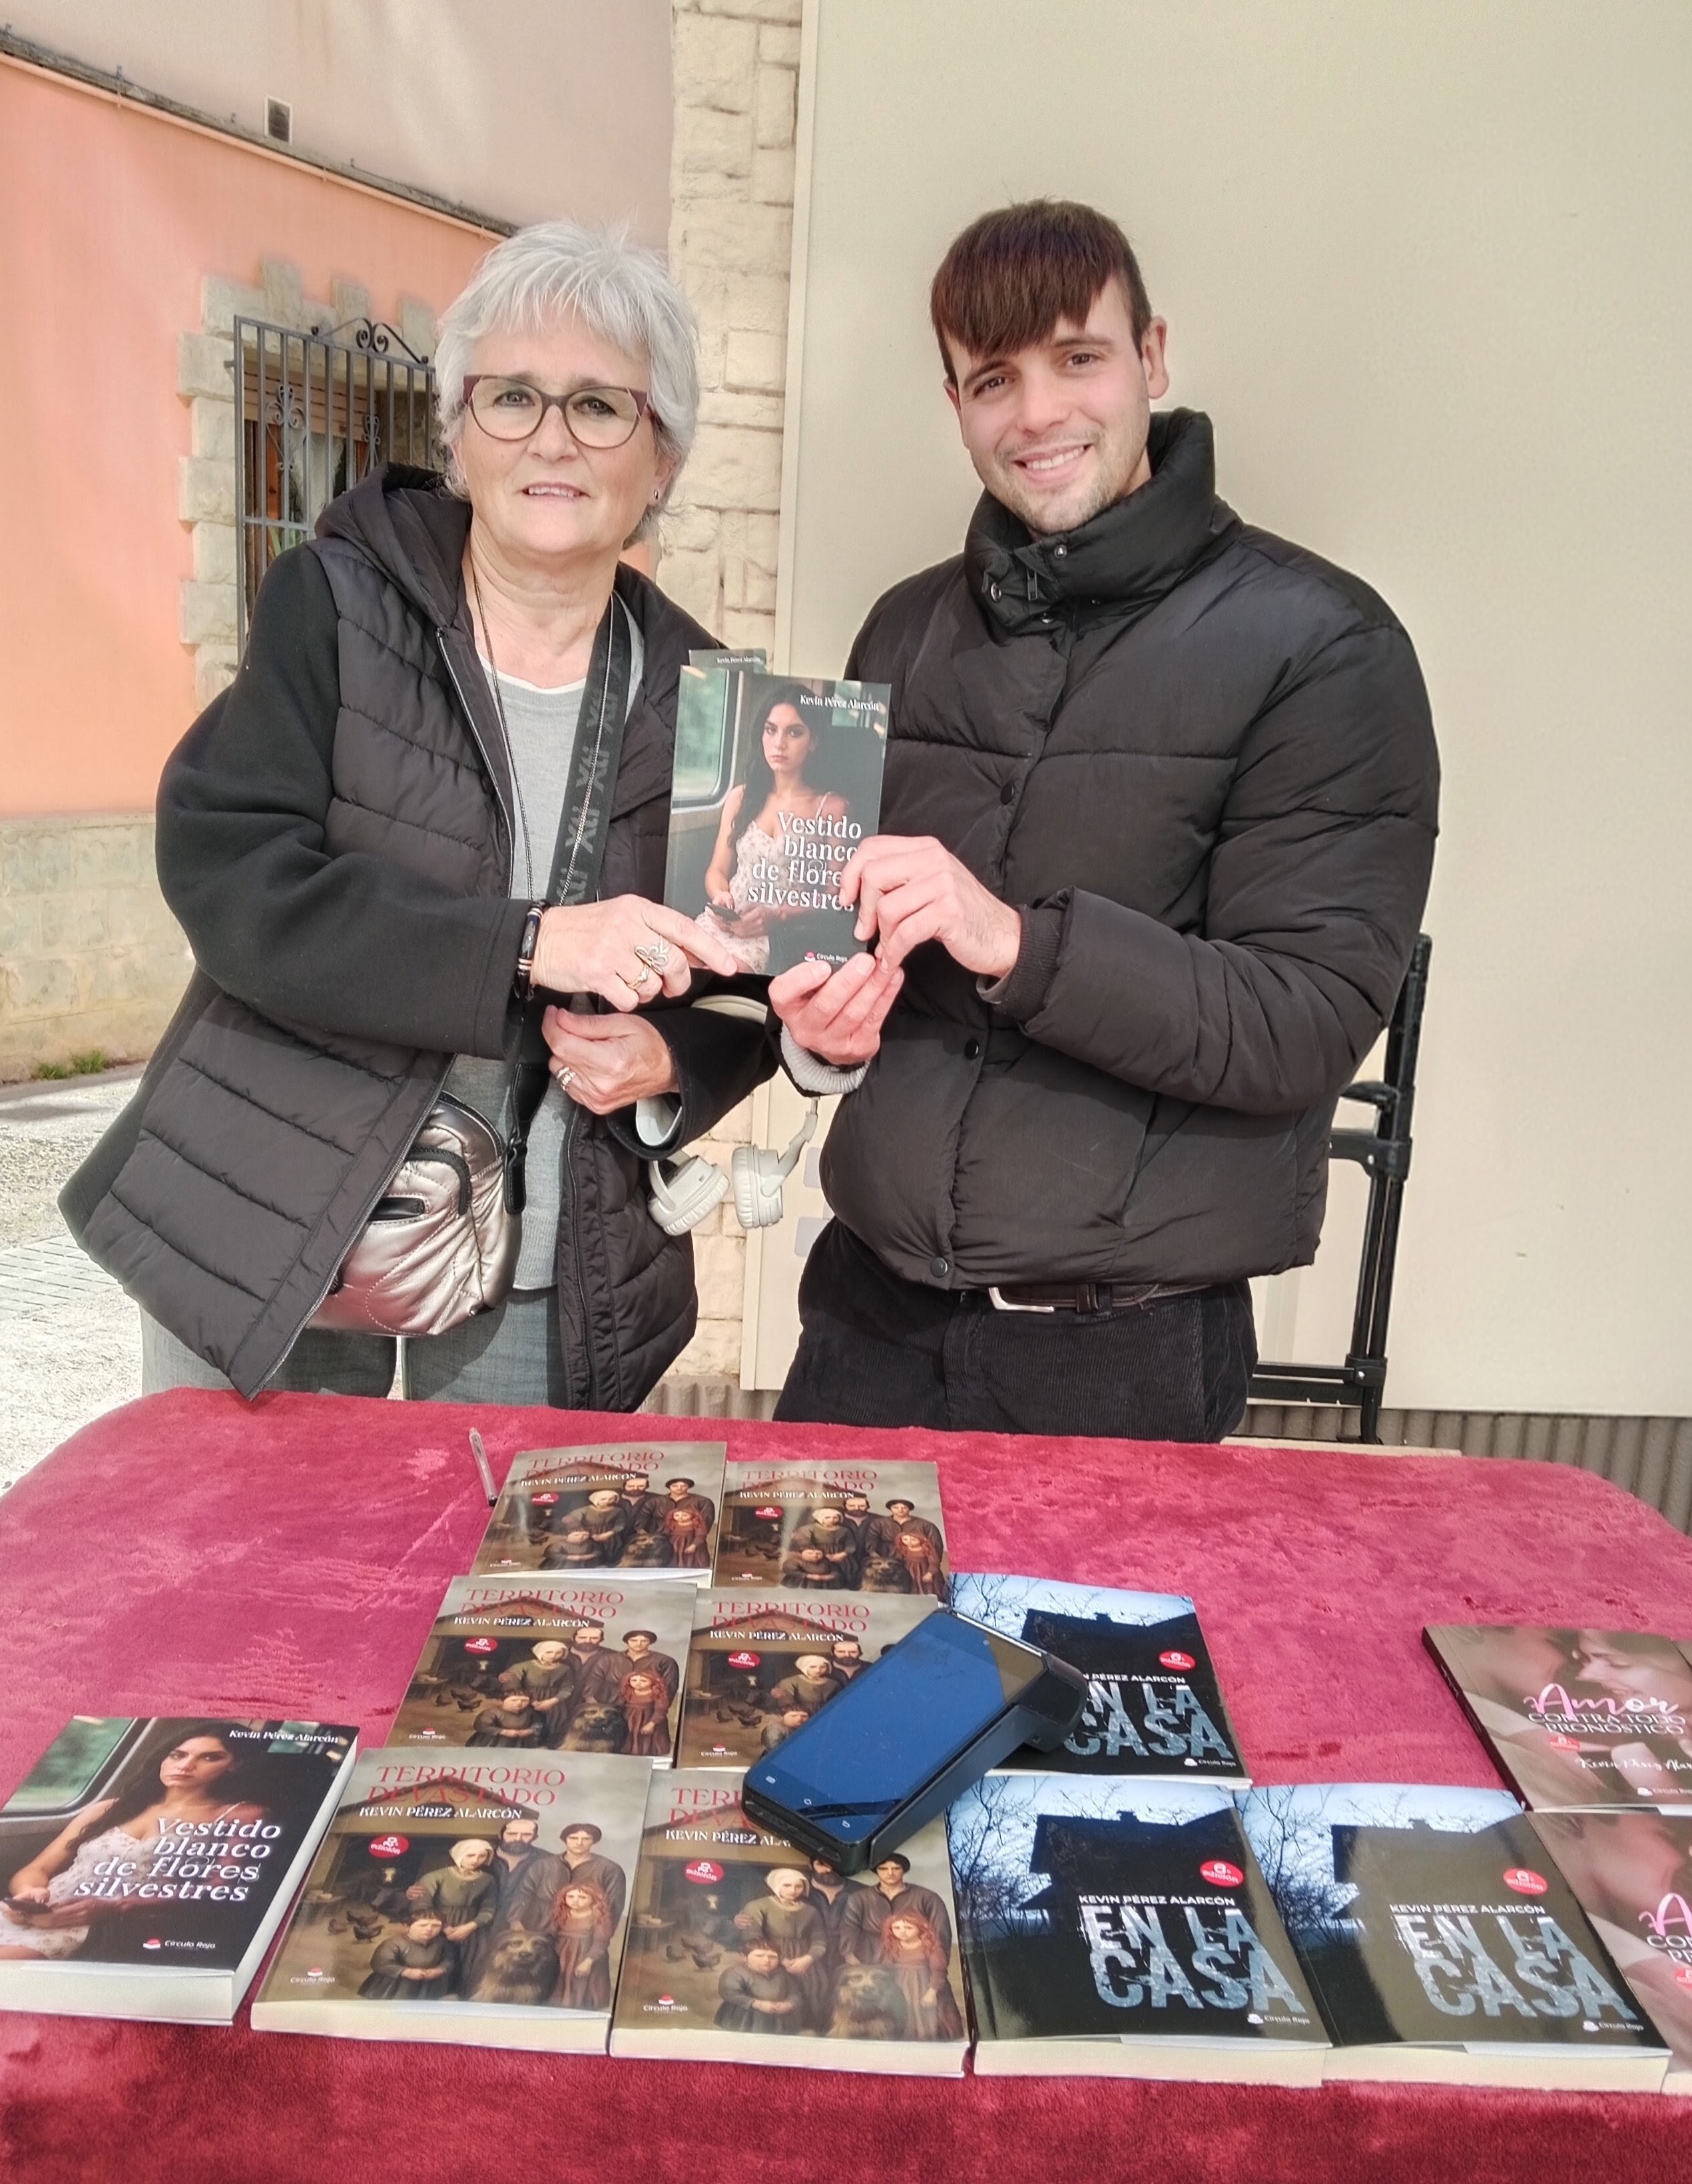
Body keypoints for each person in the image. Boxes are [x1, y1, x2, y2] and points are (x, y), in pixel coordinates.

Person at [62, 220, 768, 1409]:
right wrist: (534, 941)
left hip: (550, 1265)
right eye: (512, 398)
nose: (552, 437)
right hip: (276, 1228)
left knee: (502, 1590)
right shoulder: (334, 604)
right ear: (457, 432)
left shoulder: (716, 695)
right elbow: (238, 881)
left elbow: (740, 981)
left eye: (602, 406)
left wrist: (673, 1057)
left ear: (665, 460)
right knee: (259, 1583)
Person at [767, 199, 1438, 1441]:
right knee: (833, 1646)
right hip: (864, 1321)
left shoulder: (1324, 644)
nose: (1035, 414)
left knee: (1055, 1656)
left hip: (1121, 1354)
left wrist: (1019, 941)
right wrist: (820, 1035)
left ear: (1153, 358)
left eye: (1077, 358)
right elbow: (851, 961)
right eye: (991, 379)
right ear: (956, 403)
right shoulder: (903, 628)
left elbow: (1304, 1020)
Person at [0, 1725, 266, 1960]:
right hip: (35, 1911)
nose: (186, 1765)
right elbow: (38, 1869)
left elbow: (219, 1888)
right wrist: (27, 1894)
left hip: (97, 1922)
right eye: (178, 1755)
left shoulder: (242, 1815)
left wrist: (116, 1906)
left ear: (235, 1765)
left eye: (210, 1757)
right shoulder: (110, 1808)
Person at [699, 683, 852, 973]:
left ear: (814, 741)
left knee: (720, 977)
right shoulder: (741, 797)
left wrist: (779, 915)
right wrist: (721, 897)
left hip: (770, 936)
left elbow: (835, 895)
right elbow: (717, 871)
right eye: (771, 730)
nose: (779, 743)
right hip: (723, 921)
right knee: (673, 967)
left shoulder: (831, 807)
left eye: (794, 732)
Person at [734, 1867, 829, 2029]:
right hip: (770, 1960)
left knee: (814, 1995)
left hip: (806, 1963)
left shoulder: (811, 1911)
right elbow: (753, 1938)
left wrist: (807, 1960)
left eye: (798, 1886)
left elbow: (820, 1940)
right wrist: (783, 1961)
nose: (793, 1891)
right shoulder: (757, 1906)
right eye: (787, 1885)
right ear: (777, 1885)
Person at [839, 1853, 953, 1967]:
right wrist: (850, 1956)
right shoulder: (860, 1898)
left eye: (896, 1868)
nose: (890, 1873)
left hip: (915, 1962)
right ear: (876, 1871)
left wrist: (938, 1964)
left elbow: (941, 1931)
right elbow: (849, 1928)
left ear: (904, 1870)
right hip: (872, 1959)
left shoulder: (927, 1897)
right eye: (883, 1868)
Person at [880, 1910, 965, 2041]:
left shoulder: (931, 1947)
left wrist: (932, 1992)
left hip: (925, 1985)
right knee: (904, 2013)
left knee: (927, 2015)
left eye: (908, 1928)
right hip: (901, 1987)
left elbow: (939, 1971)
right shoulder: (893, 1946)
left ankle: (929, 2038)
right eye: (897, 1928)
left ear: (919, 1928)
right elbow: (886, 1968)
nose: (902, 1931)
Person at [408, 1838, 498, 1950]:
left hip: (472, 1933)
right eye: (470, 1855)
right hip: (436, 1930)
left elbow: (489, 1908)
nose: (476, 1860)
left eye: (482, 1856)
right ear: (459, 1854)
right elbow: (421, 1907)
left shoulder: (488, 1880)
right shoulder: (434, 1877)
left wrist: (470, 1927)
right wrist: (445, 1928)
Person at [550, 1880, 615, 2008]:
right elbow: (551, 1933)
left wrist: (588, 1961)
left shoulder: (598, 1916)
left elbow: (601, 1942)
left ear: (594, 1899)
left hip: (585, 1954)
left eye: (582, 1897)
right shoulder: (563, 1913)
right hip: (562, 1953)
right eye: (571, 1897)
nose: (575, 1900)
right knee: (561, 1980)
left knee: (580, 1983)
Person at [359, 1912, 455, 2000]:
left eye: (436, 1926)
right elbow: (380, 1963)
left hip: (428, 1985)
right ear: (407, 1926)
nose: (429, 1929)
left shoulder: (442, 1943)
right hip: (395, 1985)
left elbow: (449, 1959)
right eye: (422, 1925)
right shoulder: (395, 1943)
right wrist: (406, 1972)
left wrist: (440, 1970)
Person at [714, 1941, 802, 2033]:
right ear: (745, 1957)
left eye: (772, 1957)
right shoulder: (736, 1973)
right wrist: (757, 2004)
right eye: (759, 1956)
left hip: (779, 2020)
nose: (767, 1960)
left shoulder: (783, 1974)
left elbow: (795, 1993)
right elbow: (729, 1993)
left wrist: (789, 2004)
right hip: (745, 2017)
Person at [660, 1475, 716, 1568]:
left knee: (691, 1564)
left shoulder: (703, 1502)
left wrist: (694, 1544)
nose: (679, 1488)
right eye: (675, 1485)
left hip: (692, 1543)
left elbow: (704, 1526)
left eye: (683, 1485)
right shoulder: (658, 1501)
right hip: (672, 1545)